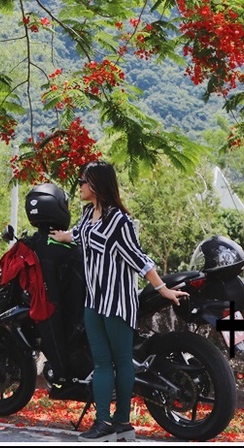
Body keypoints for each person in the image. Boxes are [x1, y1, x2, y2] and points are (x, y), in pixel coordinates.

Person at [51, 160, 189, 443]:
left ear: (97, 185)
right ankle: (108, 425)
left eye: (83, 181)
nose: (79, 186)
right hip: (94, 302)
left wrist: (163, 289)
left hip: (117, 303)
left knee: (120, 362)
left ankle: (118, 424)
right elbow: (78, 236)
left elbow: (140, 259)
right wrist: (58, 236)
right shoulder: (88, 215)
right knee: (101, 363)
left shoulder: (119, 222)